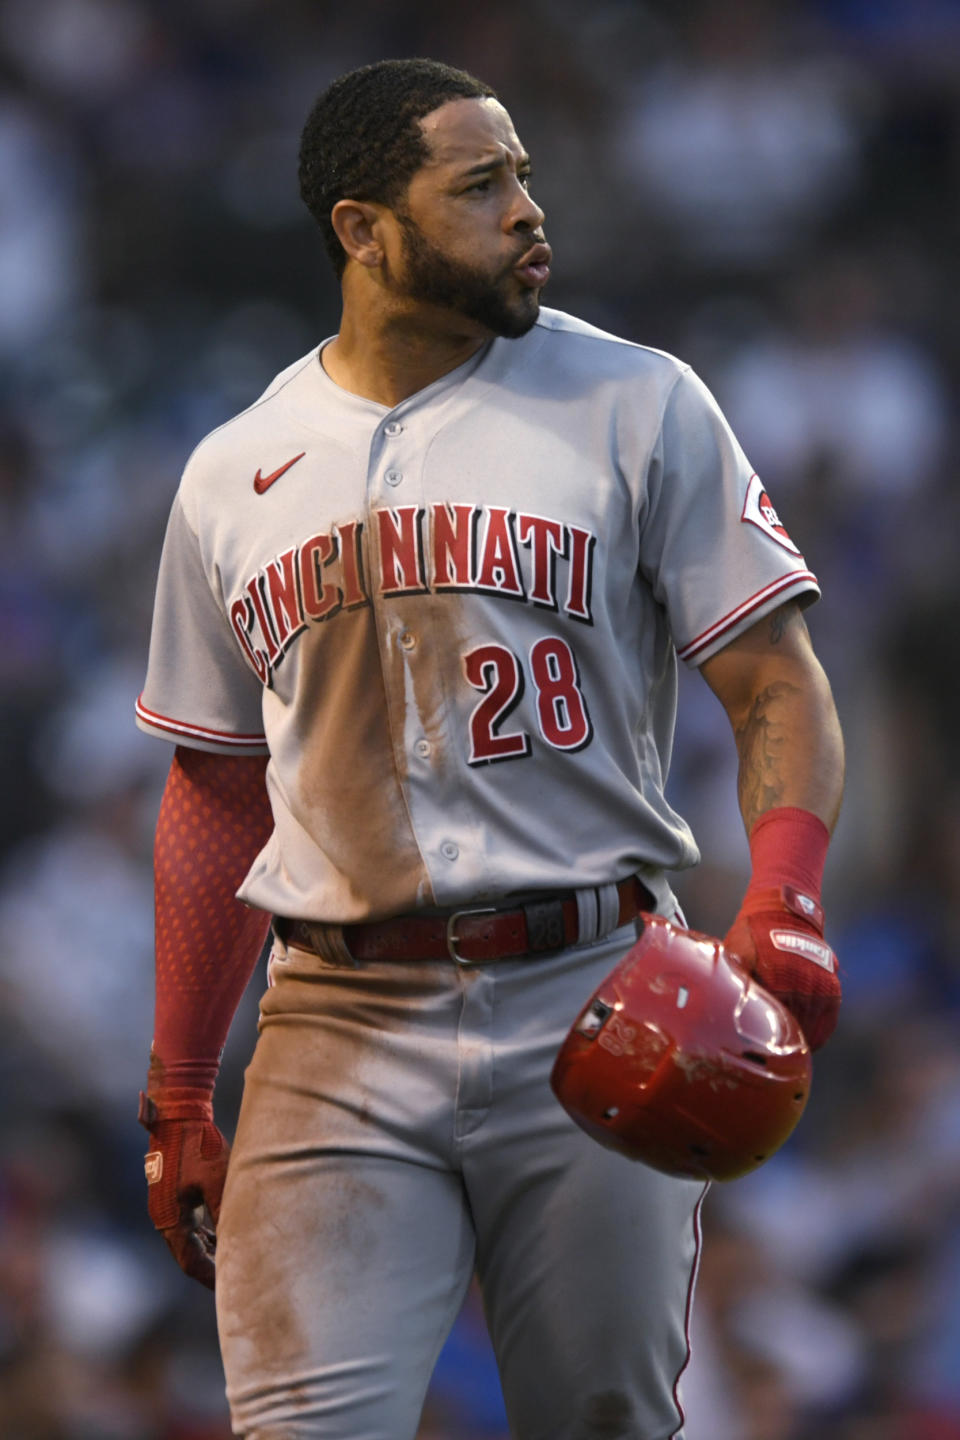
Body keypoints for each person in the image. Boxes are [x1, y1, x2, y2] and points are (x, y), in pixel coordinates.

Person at [135, 57, 844, 1440]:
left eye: (522, 174)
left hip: (600, 993)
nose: (528, 210)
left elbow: (775, 682)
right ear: (363, 229)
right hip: (333, 1020)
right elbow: (217, 786)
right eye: (480, 185)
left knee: (604, 1417)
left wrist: (786, 892)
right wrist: (174, 1084)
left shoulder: (640, 402)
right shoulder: (237, 466)